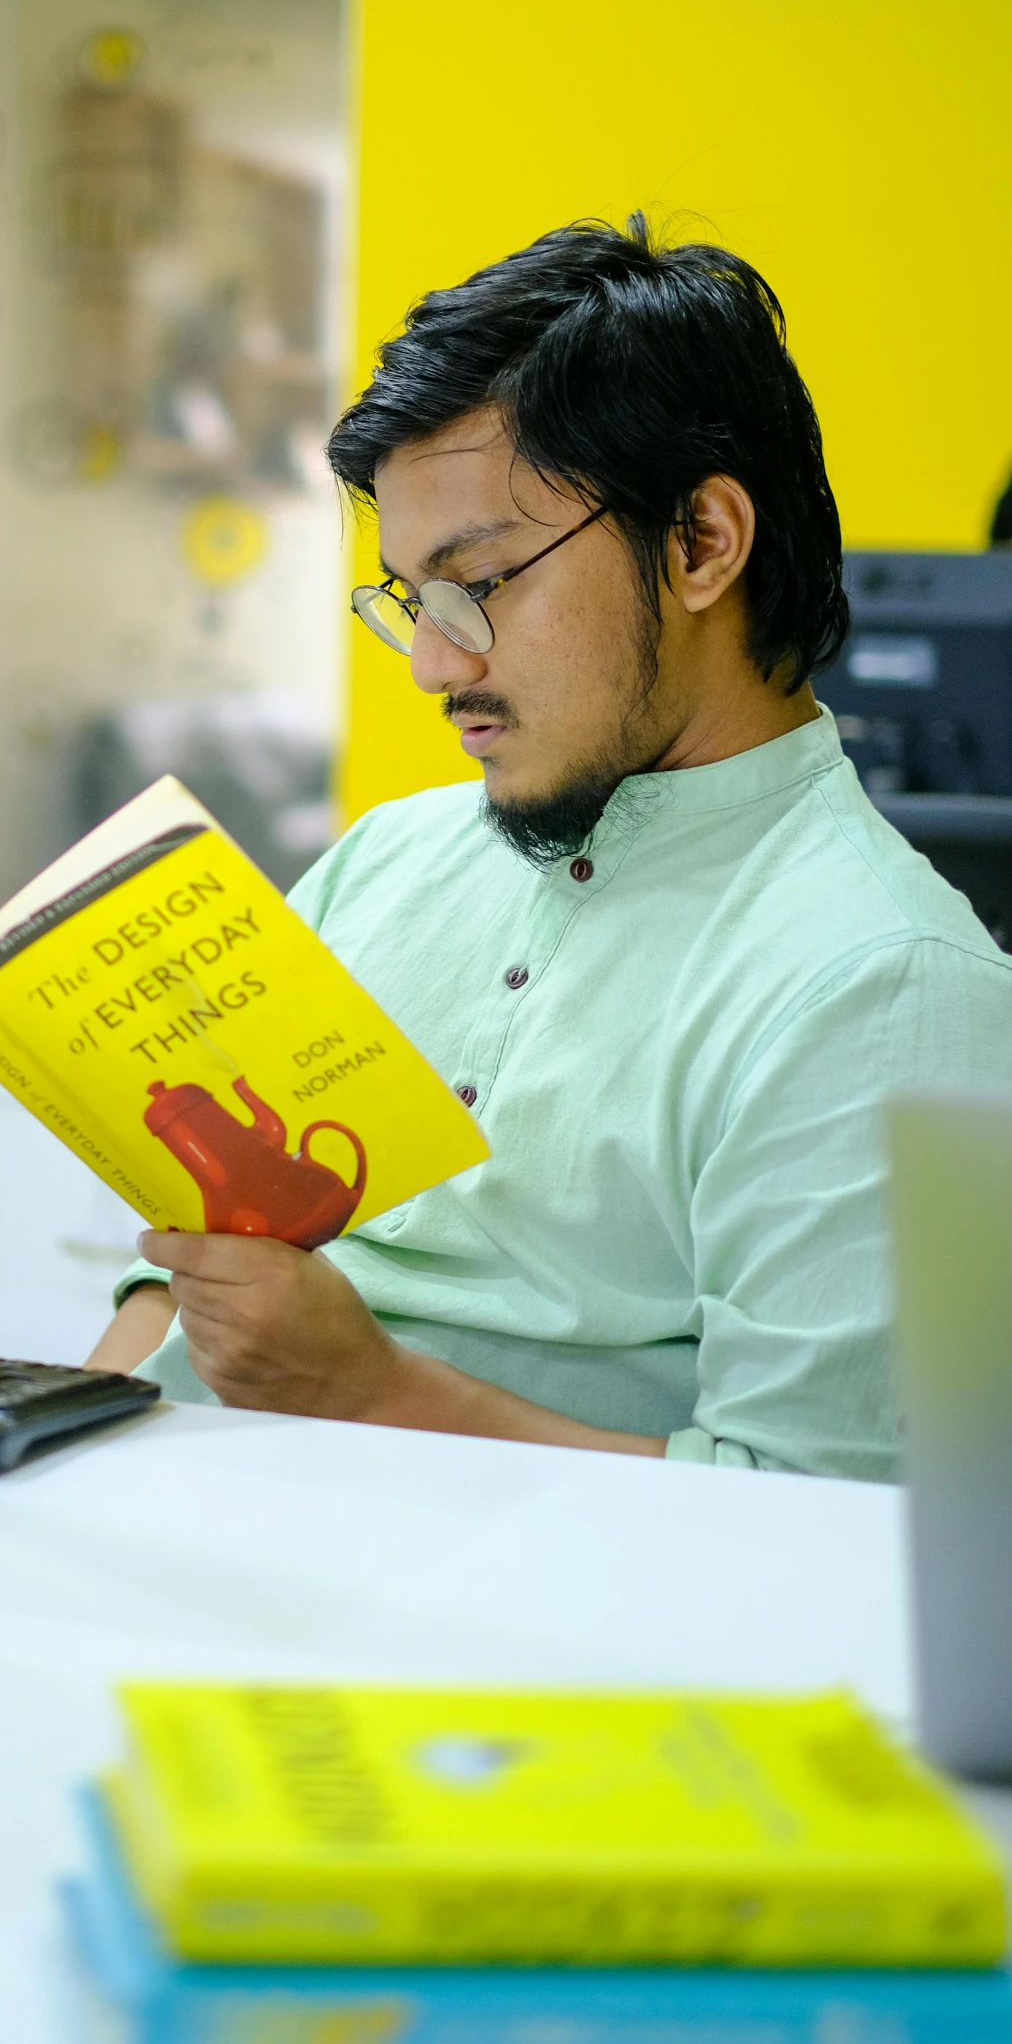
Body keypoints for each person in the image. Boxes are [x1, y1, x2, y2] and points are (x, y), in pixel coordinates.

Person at [87, 215, 1012, 1477]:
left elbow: (822, 1534)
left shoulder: (881, 981)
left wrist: (372, 1395)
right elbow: (184, 1259)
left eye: (485, 582)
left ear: (700, 543)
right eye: (411, 599)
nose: (432, 663)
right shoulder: (384, 860)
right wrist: (41, 1431)